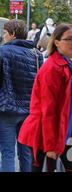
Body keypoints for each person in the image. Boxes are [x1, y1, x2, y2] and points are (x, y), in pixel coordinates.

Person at [18, 24, 72, 172]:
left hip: (63, 131)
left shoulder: (69, 65)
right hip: (45, 133)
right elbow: (48, 110)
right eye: (69, 39)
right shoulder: (53, 68)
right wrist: (50, 146)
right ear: (57, 42)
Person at [0, 20, 43, 172]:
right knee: (26, 152)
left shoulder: (3, 52)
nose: (3, 36)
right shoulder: (37, 55)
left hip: (7, 109)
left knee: (7, 153)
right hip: (29, 111)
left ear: (12, 34)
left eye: (5, 33)